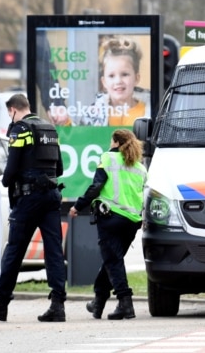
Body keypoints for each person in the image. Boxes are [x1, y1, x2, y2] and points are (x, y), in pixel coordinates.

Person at [0, 93, 67, 322]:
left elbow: (12, 167)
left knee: (14, 250)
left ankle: (1, 303)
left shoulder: (20, 129)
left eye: (9, 114)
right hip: (51, 196)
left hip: (28, 198)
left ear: (13, 110)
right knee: (54, 251)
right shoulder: (50, 129)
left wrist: (4, 181)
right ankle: (58, 306)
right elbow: (60, 168)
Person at [69, 129, 148, 319]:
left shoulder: (108, 158)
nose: (109, 144)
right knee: (111, 260)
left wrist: (78, 206)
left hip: (111, 217)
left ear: (117, 143)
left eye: (111, 141)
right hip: (132, 221)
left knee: (113, 260)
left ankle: (125, 303)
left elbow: (97, 186)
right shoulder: (140, 167)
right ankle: (99, 301)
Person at [79, 37, 151, 127]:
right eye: (111, 76)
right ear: (104, 82)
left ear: (136, 78)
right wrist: (65, 122)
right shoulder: (93, 115)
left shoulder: (150, 112)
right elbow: (78, 138)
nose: (118, 81)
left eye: (124, 74)